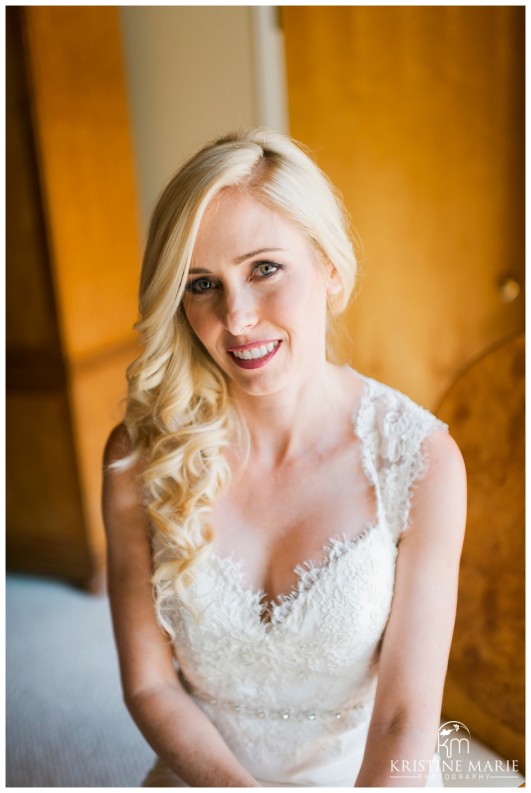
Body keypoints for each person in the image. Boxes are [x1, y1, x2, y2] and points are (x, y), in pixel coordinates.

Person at [102, 129, 466, 787]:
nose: (236, 318)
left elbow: (406, 720)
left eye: (264, 268)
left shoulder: (419, 460)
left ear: (328, 266)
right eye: (201, 284)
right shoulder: (140, 453)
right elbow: (151, 686)